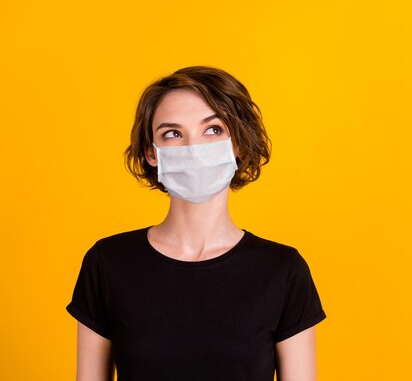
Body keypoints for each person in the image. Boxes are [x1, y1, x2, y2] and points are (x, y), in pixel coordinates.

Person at [66, 66, 327, 381]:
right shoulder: (107, 263)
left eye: (213, 129)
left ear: (238, 145)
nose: (194, 148)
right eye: (172, 133)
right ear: (151, 153)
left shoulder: (283, 270)